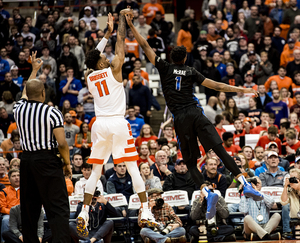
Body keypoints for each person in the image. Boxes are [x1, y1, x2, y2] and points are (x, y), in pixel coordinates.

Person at [125, 11, 264, 220]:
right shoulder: (190, 71)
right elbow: (216, 85)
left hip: (181, 119)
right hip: (196, 113)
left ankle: (206, 192)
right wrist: (243, 90)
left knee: (190, 163)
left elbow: (145, 46)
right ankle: (244, 182)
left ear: (172, 57)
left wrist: (132, 26)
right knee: (219, 150)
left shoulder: (164, 68)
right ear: (185, 58)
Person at [76, 11, 158, 237]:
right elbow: (121, 43)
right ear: (103, 61)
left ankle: (83, 212)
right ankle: (145, 211)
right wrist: (122, 22)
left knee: (95, 171)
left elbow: (91, 58)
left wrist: (105, 35)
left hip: (99, 125)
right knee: (132, 167)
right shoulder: (114, 70)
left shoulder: (90, 78)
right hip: (117, 123)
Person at [12, 52, 72, 243]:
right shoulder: (52, 112)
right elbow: (62, 143)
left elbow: (25, 92)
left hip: (27, 162)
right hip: (47, 160)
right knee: (58, 208)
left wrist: (34, 71)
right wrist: (67, 163)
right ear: (44, 93)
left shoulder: (18, 109)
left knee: (29, 210)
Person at [239, 176, 281, 240]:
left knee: (277, 215)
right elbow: (243, 211)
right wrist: (243, 192)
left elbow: (271, 203)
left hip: (265, 226)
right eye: (254, 183)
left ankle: (260, 235)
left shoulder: (264, 195)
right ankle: (267, 236)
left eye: (258, 183)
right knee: (247, 218)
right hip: (251, 228)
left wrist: (257, 192)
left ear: (261, 185)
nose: (256, 184)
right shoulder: (246, 197)